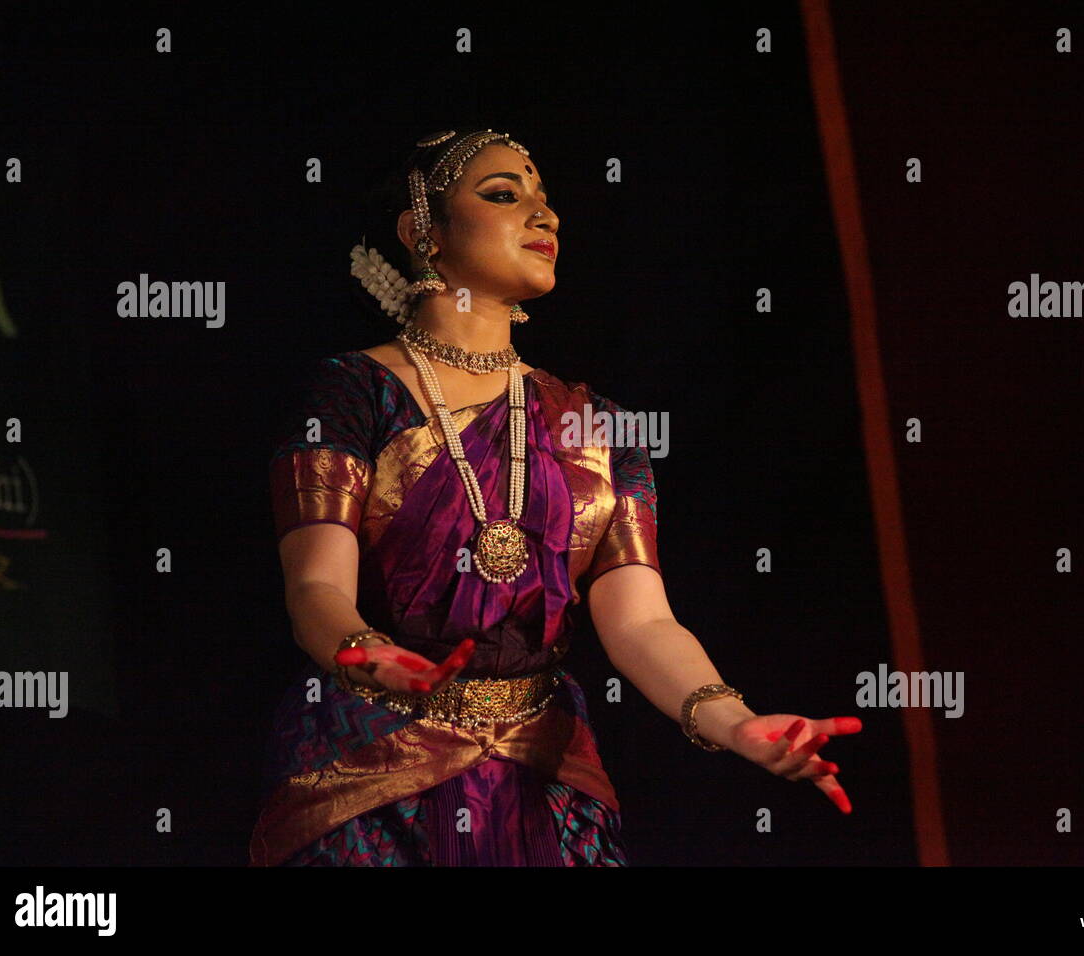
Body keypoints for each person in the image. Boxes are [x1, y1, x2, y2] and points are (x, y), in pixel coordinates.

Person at [248, 128, 861, 867]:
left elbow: (642, 623)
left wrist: (736, 723)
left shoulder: (593, 424)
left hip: (545, 777)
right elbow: (315, 587)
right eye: (505, 195)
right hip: (372, 770)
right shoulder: (351, 392)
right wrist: (372, 658)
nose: (546, 217)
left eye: (546, 200)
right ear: (421, 232)